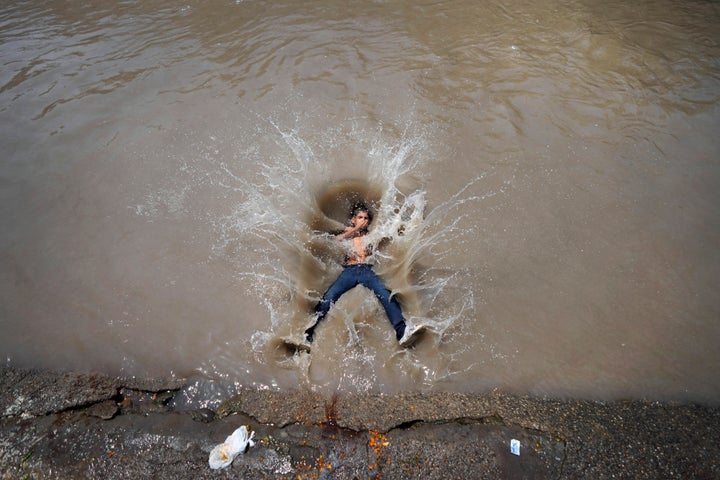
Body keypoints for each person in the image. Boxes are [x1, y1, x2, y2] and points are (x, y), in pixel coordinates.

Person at [303, 203, 425, 348]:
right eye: (360, 217)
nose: (363, 220)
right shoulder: (347, 234)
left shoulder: (370, 235)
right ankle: (306, 335)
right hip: (349, 271)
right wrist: (355, 229)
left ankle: (402, 332)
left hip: (367, 271)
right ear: (353, 219)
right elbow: (336, 241)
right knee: (328, 298)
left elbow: (386, 234)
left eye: (366, 218)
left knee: (386, 296)